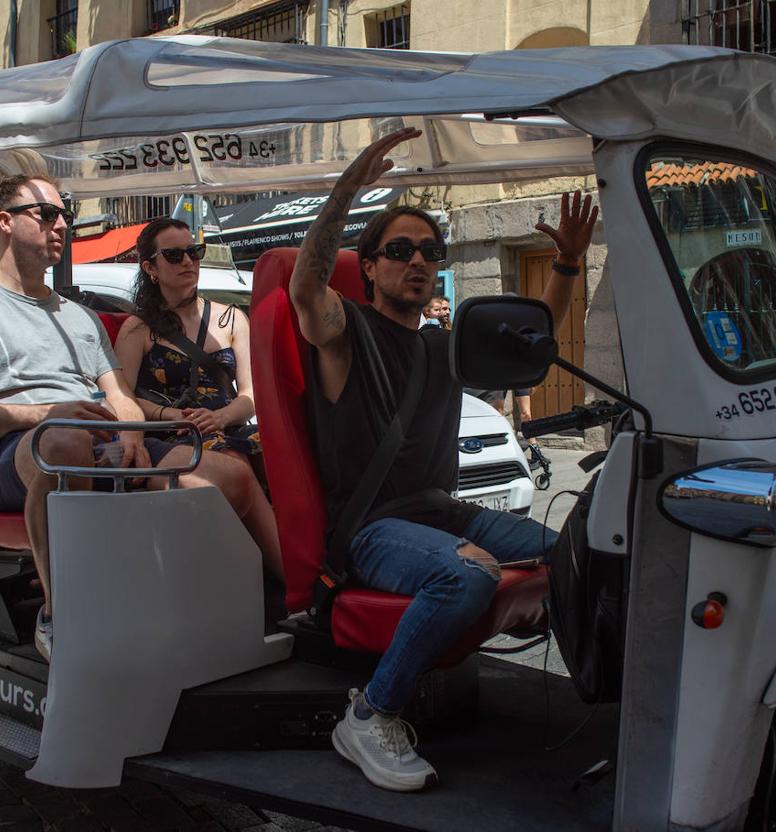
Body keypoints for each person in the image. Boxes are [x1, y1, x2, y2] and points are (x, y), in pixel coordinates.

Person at [290, 128, 597, 792]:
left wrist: (567, 265)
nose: (418, 261)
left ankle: (602, 690)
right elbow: (305, 290)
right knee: (468, 578)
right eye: (398, 251)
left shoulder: (443, 344)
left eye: (430, 251)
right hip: (371, 529)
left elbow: (527, 345)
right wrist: (346, 192)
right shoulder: (347, 332)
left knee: (581, 551)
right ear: (367, 266)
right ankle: (371, 712)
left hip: (445, 516)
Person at [0, 174, 149, 661]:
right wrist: (49, 414)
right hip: (14, 454)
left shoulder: (82, 316)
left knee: (221, 470)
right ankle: (62, 613)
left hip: (94, 439)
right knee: (65, 443)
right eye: (47, 214)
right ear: (6, 222)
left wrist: (132, 430)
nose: (61, 224)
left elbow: (120, 395)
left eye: (63, 213)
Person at [113, 218, 286, 620]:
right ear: (150, 267)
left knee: (286, 456)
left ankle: (296, 570)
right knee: (233, 461)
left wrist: (223, 415)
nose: (188, 261)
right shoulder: (137, 329)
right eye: (174, 255)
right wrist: (168, 414)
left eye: (194, 252)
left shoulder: (231, 320)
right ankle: (291, 582)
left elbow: (251, 393)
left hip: (229, 423)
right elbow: (123, 397)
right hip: (174, 434)